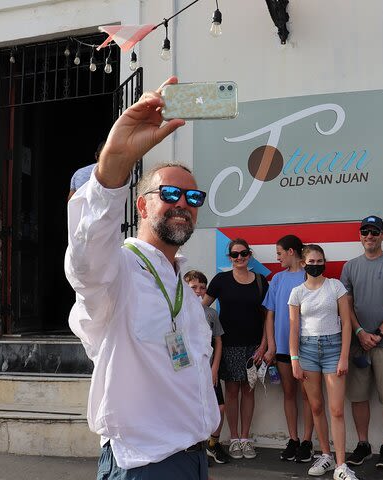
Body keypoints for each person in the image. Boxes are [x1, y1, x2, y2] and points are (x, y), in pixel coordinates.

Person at [66, 76, 218, 480]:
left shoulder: (181, 284)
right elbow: (87, 262)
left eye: (193, 198)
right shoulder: (118, 271)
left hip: (194, 455)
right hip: (143, 464)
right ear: (142, 204)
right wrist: (113, 167)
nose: (182, 204)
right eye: (169, 195)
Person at [341, 215, 383, 470]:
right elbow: (345, 304)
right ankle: (363, 445)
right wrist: (360, 332)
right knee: (358, 397)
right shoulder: (350, 267)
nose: (369, 236)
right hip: (358, 343)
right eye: (364, 231)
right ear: (359, 235)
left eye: (374, 231)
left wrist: (378, 334)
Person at [289, 244, 359, 480]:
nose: (316, 265)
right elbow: (294, 328)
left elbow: (347, 323)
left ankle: (341, 465)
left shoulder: (335, 286)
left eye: (320, 261)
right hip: (307, 350)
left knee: (336, 410)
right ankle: (326, 456)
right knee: (316, 407)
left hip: (333, 349)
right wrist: (294, 359)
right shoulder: (297, 292)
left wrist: (343, 357)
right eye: (312, 262)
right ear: (303, 264)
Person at [202, 238, 269, 460]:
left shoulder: (260, 281)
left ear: (249, 255)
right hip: (227, 344)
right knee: (231, 392)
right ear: (229, 257)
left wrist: (264, 345)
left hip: (253, 346)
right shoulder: (220, 280)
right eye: (235, 254)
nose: (239, 258)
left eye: (243, 253)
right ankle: (233, 440)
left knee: (249, 391)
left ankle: (245, 439)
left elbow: (267, 316)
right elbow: (201, 309)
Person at [262, 235, 315, 463]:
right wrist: (272, 344)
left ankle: (307, 441)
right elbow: (270, 314)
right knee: (289, 393)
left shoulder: (308, 276)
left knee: (308, 395)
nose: (278, 257)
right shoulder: (276, 279)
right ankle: (293, 439)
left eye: (280, 253)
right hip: (283, 347)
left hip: (308, 347)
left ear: (291, 252)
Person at [184, 269, 230, 465]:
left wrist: (214, 368)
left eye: (202, 287)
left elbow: (218, 341)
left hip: (208, 370)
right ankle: (192, 448)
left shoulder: (210, 313)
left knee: (219, 407)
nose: (198, 291)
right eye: (193, 287)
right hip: (187, 372)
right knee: (191, 409)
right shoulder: (178, 312)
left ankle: (212, 443)